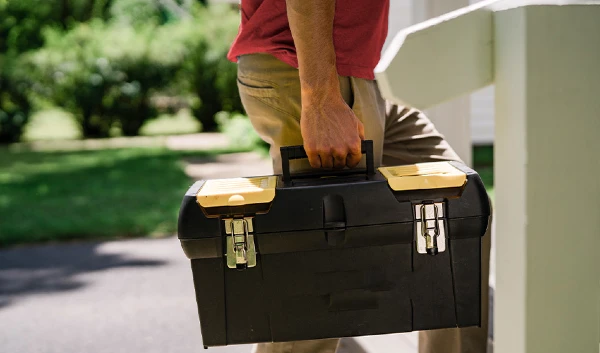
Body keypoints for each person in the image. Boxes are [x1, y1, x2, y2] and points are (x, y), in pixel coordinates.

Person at [227, 1, 491, 352]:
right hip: (312, 71)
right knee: (328, 267)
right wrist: (320, 98)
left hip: (361, 74)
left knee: (460, 209)